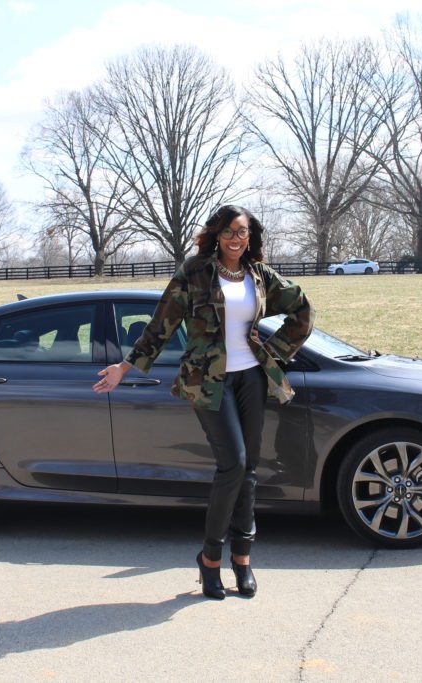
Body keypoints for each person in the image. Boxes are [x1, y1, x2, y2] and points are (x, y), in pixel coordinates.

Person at [93, 205, 314, 600]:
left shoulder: (259, 275)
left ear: (250, 236)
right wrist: (126, 366)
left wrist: (274, 351)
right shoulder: (195, 271)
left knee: (248, 469)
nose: (235, 239)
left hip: (251, 378)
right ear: (216, 234)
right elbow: (162, 323)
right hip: (207, 381)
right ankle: (210, 558)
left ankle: (242, 559)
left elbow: (302, 309)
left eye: (242, 231)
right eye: (228, 231)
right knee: (233, 464)